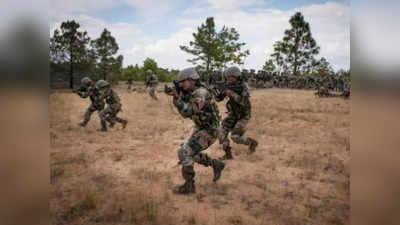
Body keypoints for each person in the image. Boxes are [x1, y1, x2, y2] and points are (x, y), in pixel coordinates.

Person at [165, 67, 225, 194]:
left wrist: (177, 98)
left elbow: (189, 111)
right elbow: (184, 113)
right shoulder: (190, 93)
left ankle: (189, 187)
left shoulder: (201, 93)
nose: (181, 84)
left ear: (192, 80)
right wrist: (177, 97)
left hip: (210, 130)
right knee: (189, 152)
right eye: (180, 82)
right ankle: (216, 164)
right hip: (201, 127)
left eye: (183, 81)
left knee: (184, 152)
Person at [215, 66, 258, 160]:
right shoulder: (227, 86)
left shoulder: (243, 87)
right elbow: (218, 99)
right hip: (233, 114)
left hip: (243, 116)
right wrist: (218, 93)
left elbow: (244, 102)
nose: (229, 79)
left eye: (232, 77)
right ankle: (228, 154)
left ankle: (252, 143)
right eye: (228, 77)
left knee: (235, 137)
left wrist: (232, 94)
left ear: (237, 76)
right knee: (221, 131)